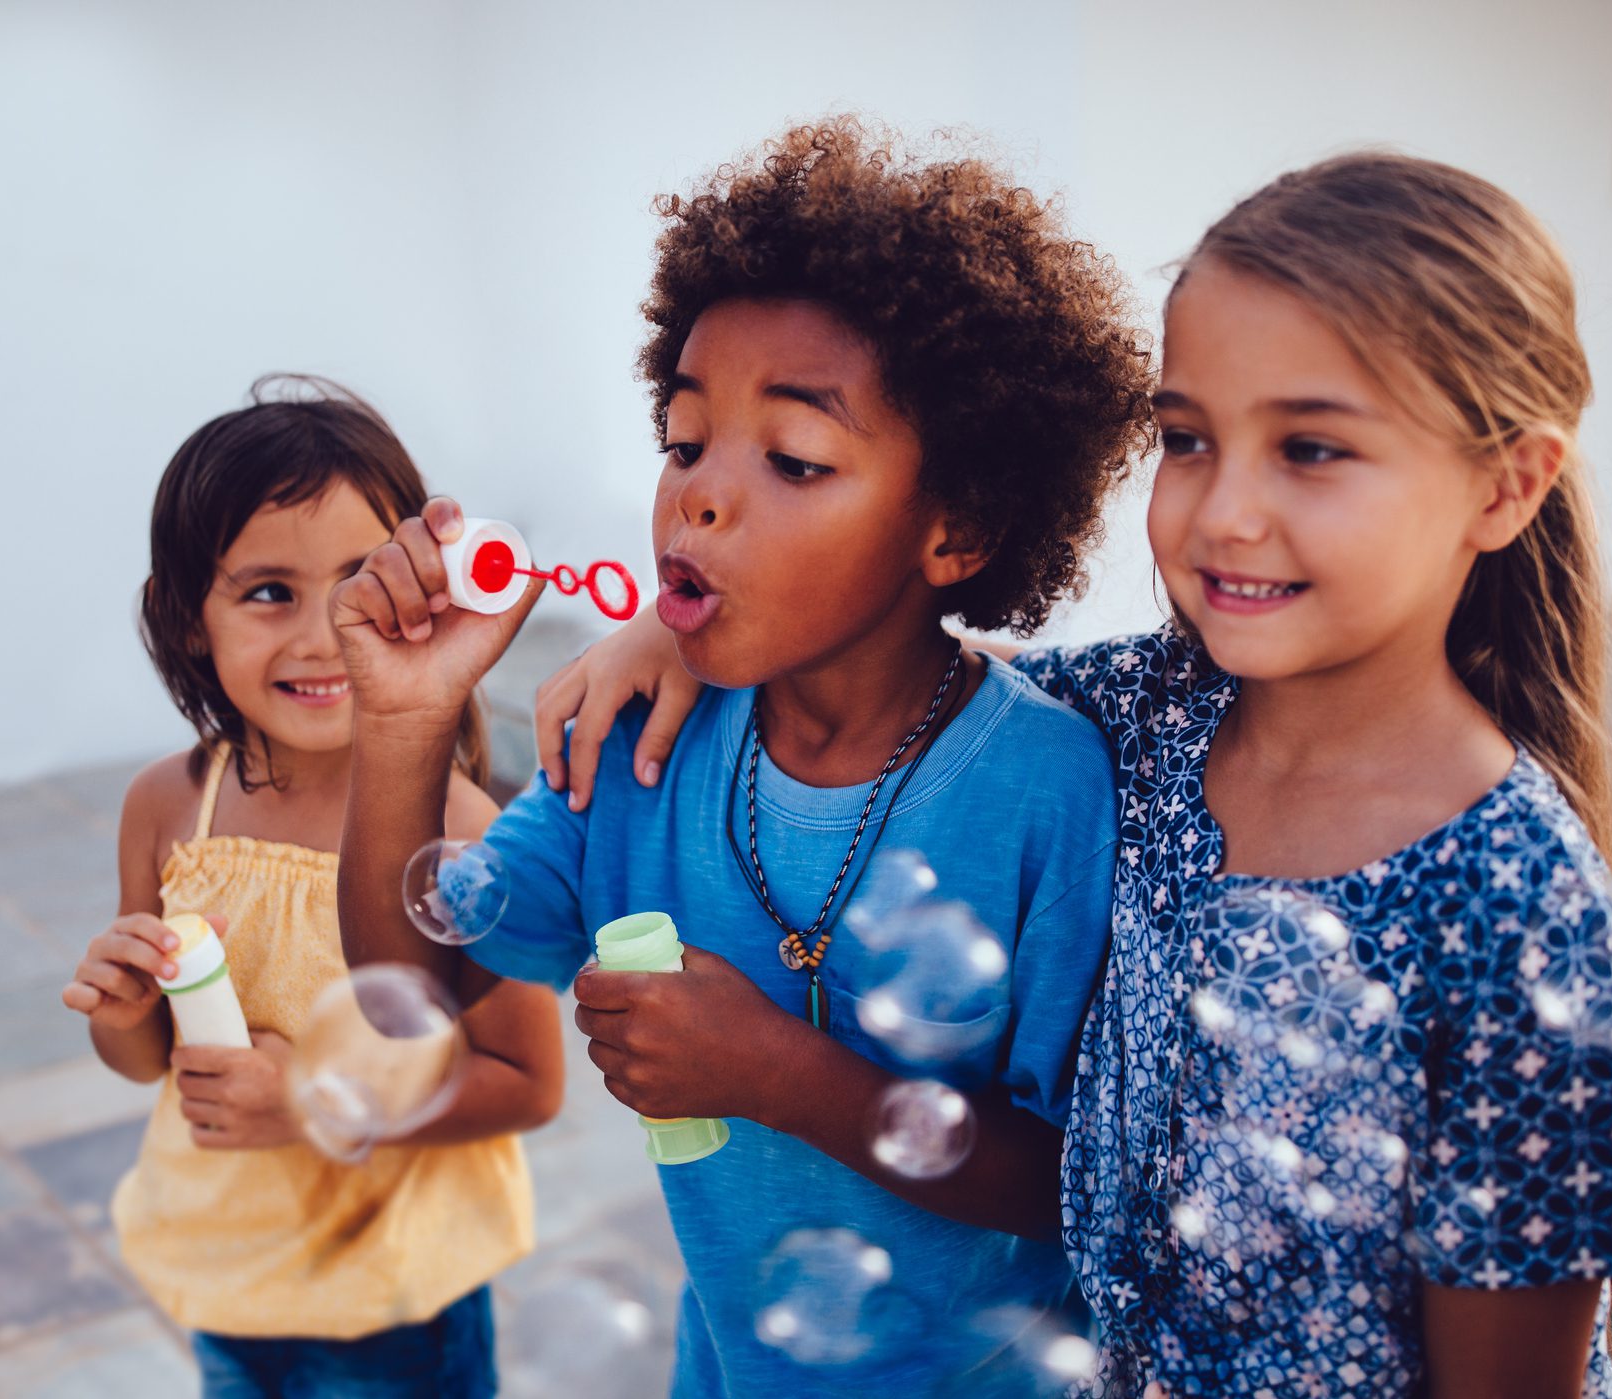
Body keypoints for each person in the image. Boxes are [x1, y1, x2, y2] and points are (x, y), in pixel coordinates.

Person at [534, 154, 1612, 1397]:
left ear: (1505, 483)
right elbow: (881, 637)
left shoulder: (1523, 927)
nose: (1222, 512)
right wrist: (685, 618)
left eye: (1308, 448)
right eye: (1186, 439)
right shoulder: (1146, 715)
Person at [329, 118, 1154, 1396]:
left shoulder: (1044, 788)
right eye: (682, 441)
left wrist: (776, 1072)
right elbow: (410, 984)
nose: (699, 496)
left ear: (958, 526)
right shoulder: (644, 745)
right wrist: (399, 721)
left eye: (794, 457)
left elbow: (1075, 1179)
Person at [59, 376, 563, 1398]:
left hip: (388, 1301)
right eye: (266, 591)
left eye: (358, 580)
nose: (323, 630)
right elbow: (149, 1060)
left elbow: (527, 1082)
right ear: (187, 619)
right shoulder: (168, 806)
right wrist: (122, 1011)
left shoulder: (463, 832)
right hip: (225, 1277)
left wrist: (313, 1099)